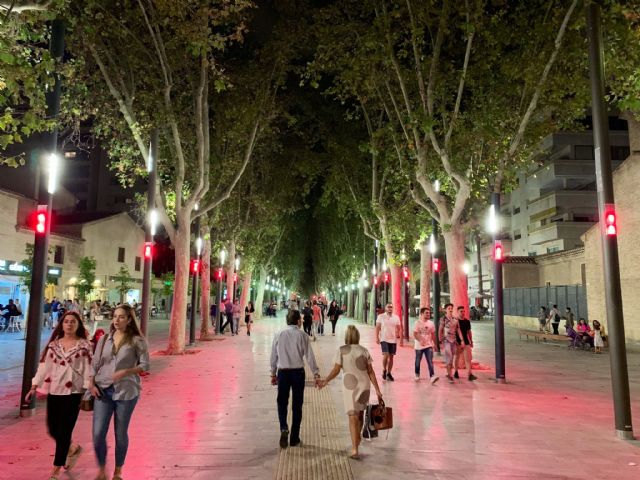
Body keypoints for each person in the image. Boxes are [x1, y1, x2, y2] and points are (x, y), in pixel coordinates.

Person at [25, 311, 93, 479]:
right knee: (53, 429)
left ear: (78, 326)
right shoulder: (54, 346)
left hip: (74, 393)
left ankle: (55, 470)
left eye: (73, 322)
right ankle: (72, 448)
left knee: (64, 431)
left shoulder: (84, 345)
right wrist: (34, 386)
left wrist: (87, 388)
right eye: (66, 322)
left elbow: (89, 369)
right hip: (55, 391)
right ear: (61, 325)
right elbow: (44, 367)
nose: (69, 324)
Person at [90, 304, 150, 480]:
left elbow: (145, 365)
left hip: (127, 392)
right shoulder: (105, 339)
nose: (117, 320)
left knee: (120, 432)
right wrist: (91, 384)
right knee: (98, 433)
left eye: (121, 317)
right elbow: (94, 364)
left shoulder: (137, 340)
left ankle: (118, 471)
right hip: (102, 390)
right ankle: (101, 469)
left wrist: (126, 371)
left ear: (129, 319)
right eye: (115, 316)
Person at [319, 325, 383, 459]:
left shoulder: (342, 350)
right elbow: (370, 372)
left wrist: (326, 381)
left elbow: (336, 370)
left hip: (349, 387)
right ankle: (356, 440)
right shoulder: (364, 350)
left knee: (352, 416)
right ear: (357, 336)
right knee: (359, 415)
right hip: (364, 385)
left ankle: (355, 448)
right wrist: (377, 390)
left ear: (347, 336)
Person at [270, 310, 321, 449]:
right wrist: (316, 374)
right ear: (298, 321)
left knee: (282, 402)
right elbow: (310, 356)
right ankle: (294, 438)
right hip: (298, 373)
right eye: (301, 319)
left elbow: (273, 356)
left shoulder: (279, 334)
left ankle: (283, 428)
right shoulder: (302, 335)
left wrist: (273, 373)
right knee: (297, 406)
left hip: (283, 373)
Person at [375, 303, 401, 382]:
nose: (390, 308)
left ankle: (389, 373)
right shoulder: (381, 316)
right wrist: (377, 337)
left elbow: (398, 327)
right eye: (388, 307)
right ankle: (384, 369)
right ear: (385, 308)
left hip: (393, 340)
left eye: (391, 307)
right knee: (386, 355)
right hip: (384, 338)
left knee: (391, 357)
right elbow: (378, 327)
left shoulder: (396, 317)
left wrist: (398, 333)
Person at [413, 307, 439, 384]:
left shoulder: (431, 323)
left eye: (429, 313)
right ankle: (417, 374)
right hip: (419, 346)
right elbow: (415, 334)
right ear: (421, 314)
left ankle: (432, 376)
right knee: (418, 361)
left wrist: (435, 344)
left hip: (428, 345)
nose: (428, 314)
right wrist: (420, 340)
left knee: (430, 361)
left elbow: (433, 334)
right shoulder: (417, 323)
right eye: (426, 313)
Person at [453, 306, 477, 381]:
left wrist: (471, 341)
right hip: (457, 342)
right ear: (457, 312)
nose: (463, 313)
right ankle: (456, 372)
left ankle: (469, 374)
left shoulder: (467, 321)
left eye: (464, 311)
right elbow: (453, 332)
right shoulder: (455, 321)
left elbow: (469, 332)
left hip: (466, 342)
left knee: (468, 359)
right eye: (461, 311)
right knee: (456, 357)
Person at [438, 303, 460, 383]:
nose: (450, 309)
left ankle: (448, 373)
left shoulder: (455, 319)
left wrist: (461, 339)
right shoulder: (443, 319)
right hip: (446, 341)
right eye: (449, 308)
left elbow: (458, 330)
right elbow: (440, 330)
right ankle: (450, 375)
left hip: (453, 341)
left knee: (452, 358)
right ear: (445, 310)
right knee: (449, 358)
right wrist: (440, 342)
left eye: (451, 308)